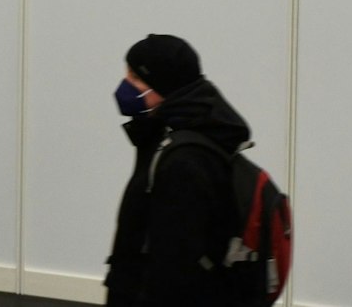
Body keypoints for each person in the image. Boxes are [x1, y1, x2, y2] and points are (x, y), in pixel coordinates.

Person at [104, 34, 250, 306]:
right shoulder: (171, 134)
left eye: (136, 78)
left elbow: (174, 265)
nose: (126, 87)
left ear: (164, 84)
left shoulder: (184, 159)